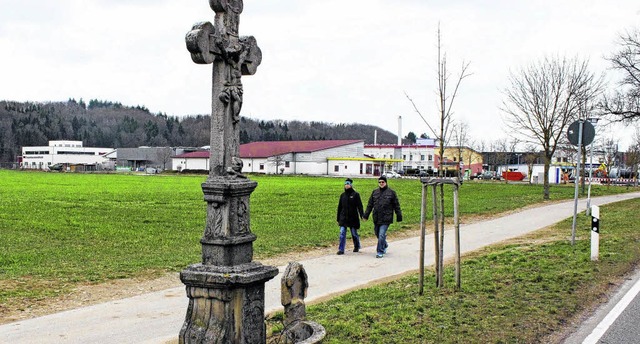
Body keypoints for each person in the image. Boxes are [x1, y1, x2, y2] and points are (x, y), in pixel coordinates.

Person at [363, 175, 402, 258]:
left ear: (386, 183)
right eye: (380, 182)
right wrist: (366, 215)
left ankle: (380, 251)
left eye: (383, 182)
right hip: (376, 217)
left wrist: (399, 215)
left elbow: (396, 205)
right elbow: (370, 205)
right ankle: (384, 244)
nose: (381, 183)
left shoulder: (391, 193)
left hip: (386, 218)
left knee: (381, 234)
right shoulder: (375, 192)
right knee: (377, 233)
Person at [336, 178, 364, 255]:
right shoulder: (342, 195)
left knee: (354, 233)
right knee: (342, 233)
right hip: (343, 218)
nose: (346, 185)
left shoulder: (355, 195)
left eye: (348, 184)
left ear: (351, 185)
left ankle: (357, 246)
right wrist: (338, 218)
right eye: (345, 184)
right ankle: (341, 249)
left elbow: (360, 206)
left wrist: (362, 215)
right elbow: (339, 207)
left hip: (353, 218)